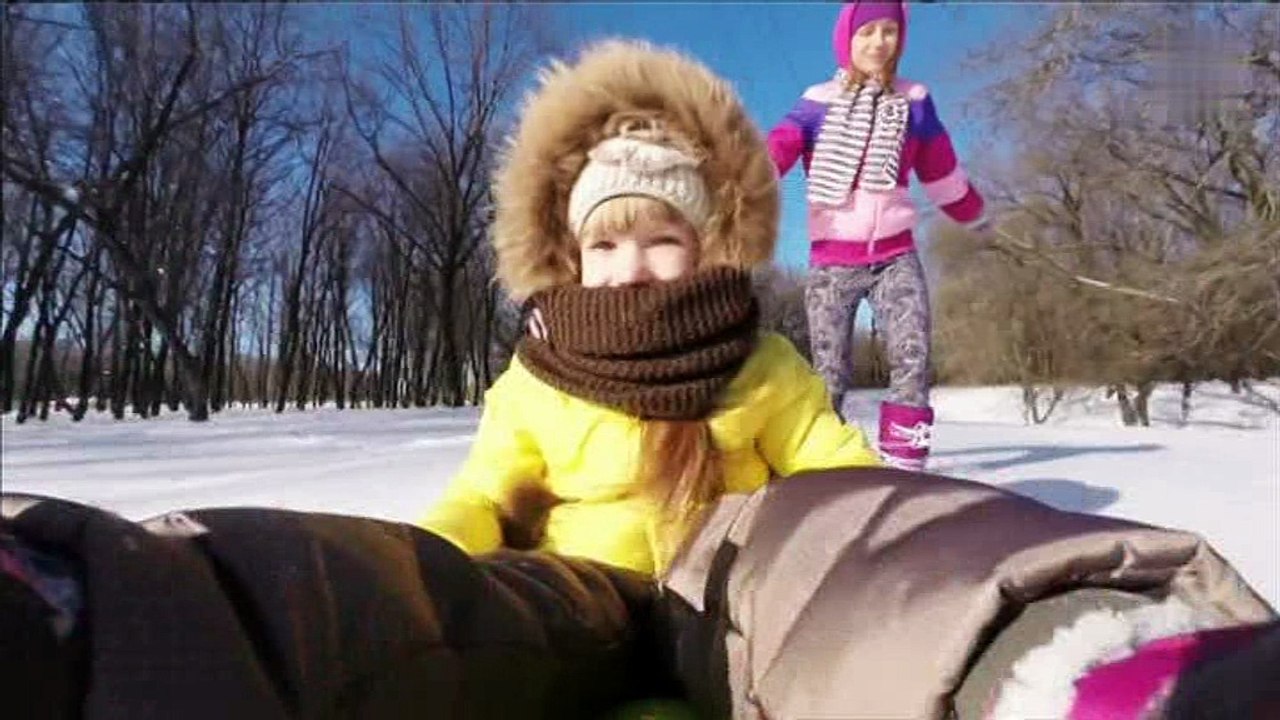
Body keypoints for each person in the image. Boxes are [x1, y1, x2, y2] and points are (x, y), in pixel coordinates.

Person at [418, 39, 882, 579]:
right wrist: (426, 561)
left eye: (661, 240)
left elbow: (837, 472)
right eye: (604, 247)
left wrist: (898, 533)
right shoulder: (539, 377)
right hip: (579, 610)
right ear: (572, 259)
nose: (631, 269)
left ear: (704, 248)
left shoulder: (760, 365)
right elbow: (483, 497)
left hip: (730, 606)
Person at [767, 0, 989, 471]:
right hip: (831, 260)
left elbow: (939, 167)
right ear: (846, 38)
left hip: (895, 255)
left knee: (912, 355)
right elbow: (779, 146)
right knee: (828, 372)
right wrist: (747, 176)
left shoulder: (914, 101)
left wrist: (972, 213)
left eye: (889, 31)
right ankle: (821, 464)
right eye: (867, 32)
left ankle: (905, 465)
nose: (878, 42)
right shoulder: (818, 101)